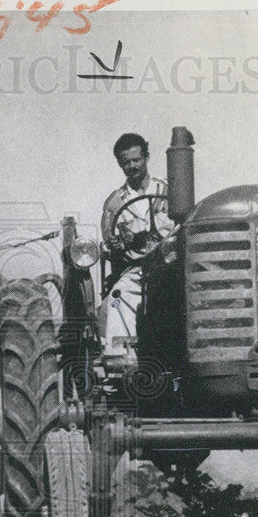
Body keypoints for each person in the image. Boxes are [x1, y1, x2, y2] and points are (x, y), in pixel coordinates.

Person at [99, 133, 174, 365]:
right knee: (117, 298)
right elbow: (111, 241)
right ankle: (120, 359)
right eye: (126, 162)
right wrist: (116, 246)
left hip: (172, 264)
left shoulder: (168, 190)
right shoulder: (114, 203)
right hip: (139, 270)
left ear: (147, 157)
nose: (132, 166)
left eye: (136, 160)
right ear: (120, 164)